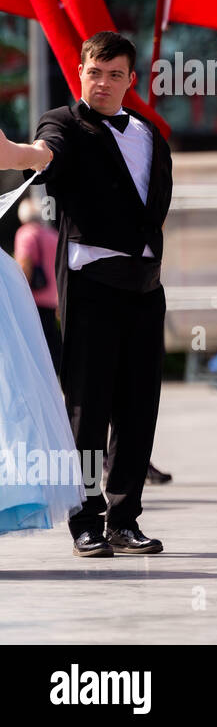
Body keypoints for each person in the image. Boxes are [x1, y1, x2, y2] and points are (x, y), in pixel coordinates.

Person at [29, 31, 172, 557]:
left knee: (139, 408)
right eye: (96, 72)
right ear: (80, 72)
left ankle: (124, 517)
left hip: (145, 286)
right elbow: (44, 155)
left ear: (131, 80)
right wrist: (14, 151)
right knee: (87, 411)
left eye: (116, 74)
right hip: (91, 288)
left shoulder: (152, 134)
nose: (105, 83)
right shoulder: (64, 122)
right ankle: (84, 521)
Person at [0, 133, 84, 535]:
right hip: (37, 309)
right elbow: (24, 156)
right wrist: (43, 152)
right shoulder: (44, 234)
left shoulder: (30, 235)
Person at [13, 195, 61, 370]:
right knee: (52, 343)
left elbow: (25, 265)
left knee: (35, 346)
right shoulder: (52, 234)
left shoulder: (25, 234)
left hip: (33, 298)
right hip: (52, 298)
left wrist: (18, 293)